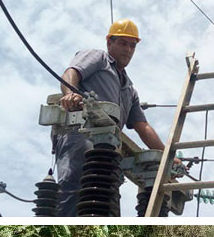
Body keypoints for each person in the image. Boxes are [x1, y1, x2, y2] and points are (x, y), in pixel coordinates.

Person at [56, 19, 180, 216]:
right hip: (79, 132)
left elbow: (142, 126)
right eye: (123, 43)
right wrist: (70, 93)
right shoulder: (98, 58)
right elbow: (71, 72)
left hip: (106, 149)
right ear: (109, 42)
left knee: (103, 197)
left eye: (132, 45)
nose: (128, 50)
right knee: (75, 186)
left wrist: (168, 156)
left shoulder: (129, 89)